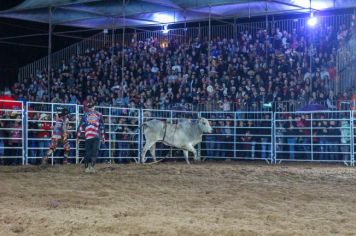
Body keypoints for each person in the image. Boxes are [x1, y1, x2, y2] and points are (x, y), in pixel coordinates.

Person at [77, 102, 105, 173]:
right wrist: (103, 136)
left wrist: (78, 136)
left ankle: (89, 167)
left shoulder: (86, 115)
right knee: (92, 152)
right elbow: (102, 126)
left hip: (91, 136)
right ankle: (90, 167)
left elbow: (81, 126)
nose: (90, 108)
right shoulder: (98, 114)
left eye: (91, 107)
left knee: (90, 152)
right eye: (90, 107)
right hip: (94, 136)